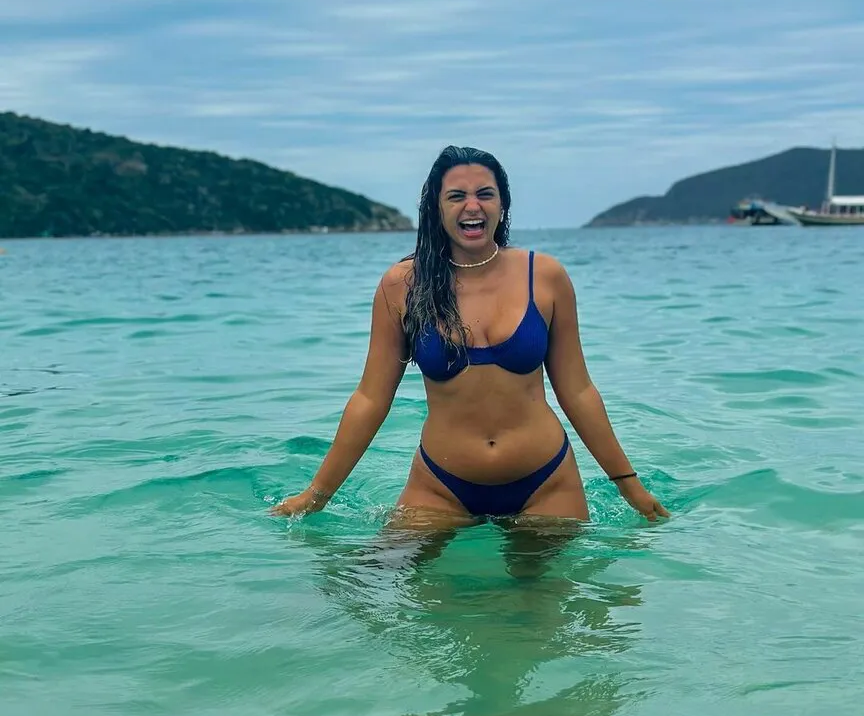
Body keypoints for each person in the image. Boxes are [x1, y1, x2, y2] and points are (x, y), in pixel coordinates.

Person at [272, 145, 669, 525]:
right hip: (441, 486)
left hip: (547, 484)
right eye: (456, 196)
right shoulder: (403, 285)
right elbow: (371, 398)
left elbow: (578, 391)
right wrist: (316, 496)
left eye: (485, 194)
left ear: (502, 204)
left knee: (545, 577)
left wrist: (628, 484)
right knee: (376, 570)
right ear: (436, 208)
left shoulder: (545, 277)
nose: (473, 206)